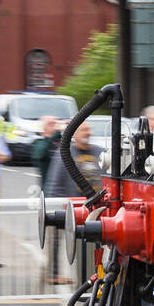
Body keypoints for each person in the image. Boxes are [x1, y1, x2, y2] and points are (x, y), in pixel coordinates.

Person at [44, 122, 101, 285]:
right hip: (71, 209)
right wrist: (54, 207)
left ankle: (94, 278)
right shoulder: (65, 154)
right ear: (74, 134)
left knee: (94, 246)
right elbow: (54, 182)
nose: (87, 132)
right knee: (58, 242)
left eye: (88, 129)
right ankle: (54, 274)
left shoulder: (98, 152)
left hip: (93, 210)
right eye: (83, 129)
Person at [30, 115, 60, 185]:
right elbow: (40, 154)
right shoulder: (38, 143)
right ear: (43, 128)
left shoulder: (60, 142)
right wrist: (55, 134)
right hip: (48, 188)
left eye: (55, 123)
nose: (54, 126)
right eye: (51, 124)